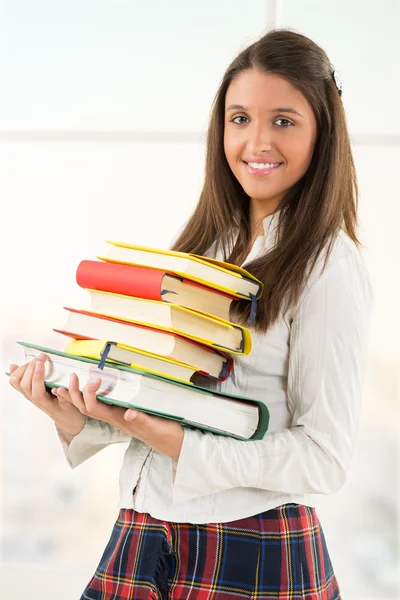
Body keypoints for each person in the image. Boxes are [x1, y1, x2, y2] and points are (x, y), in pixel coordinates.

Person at [9, 28, 373, 599]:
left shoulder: (328, 264)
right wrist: (76, 416)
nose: (257, 141)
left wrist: (183, 444)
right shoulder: (205, 249)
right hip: (142, 532)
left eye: (283, 120)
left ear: (323, 131)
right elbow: (161, 402)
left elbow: (323, 458)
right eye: (239, 119)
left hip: (252, 549)